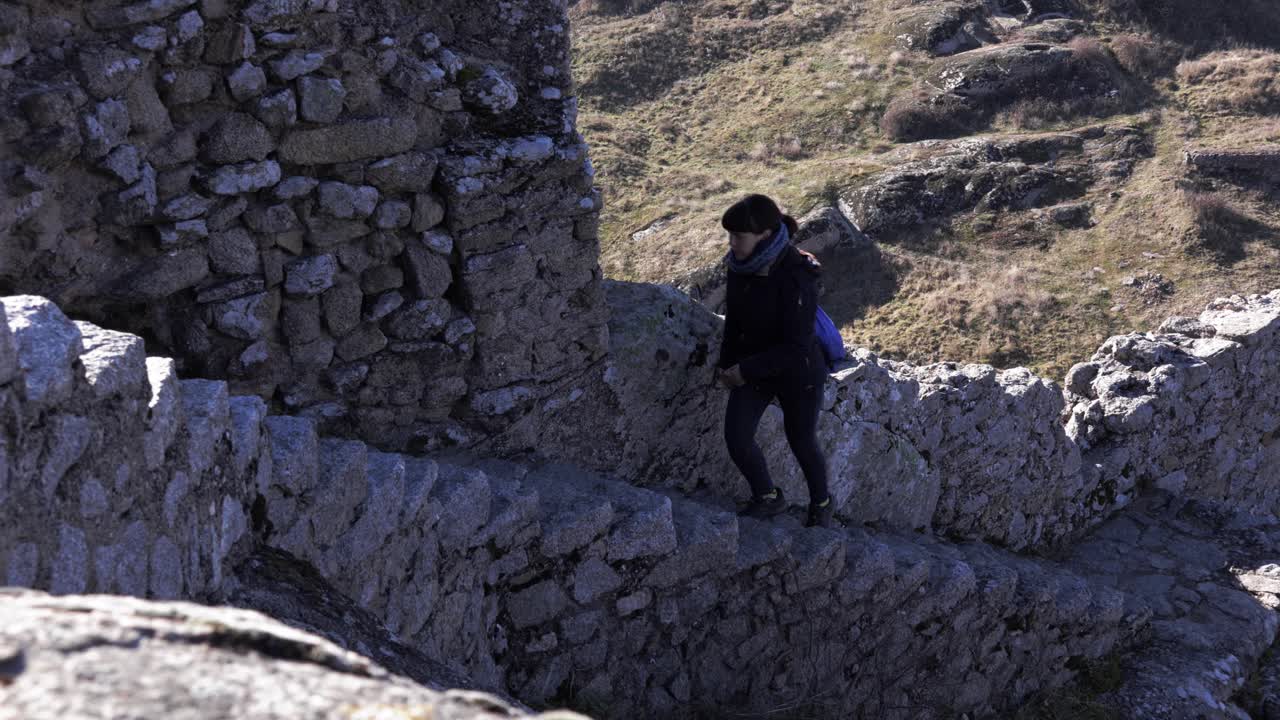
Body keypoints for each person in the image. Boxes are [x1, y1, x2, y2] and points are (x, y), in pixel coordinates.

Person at [715, 194, 833, 529]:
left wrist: (744, 370)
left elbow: (796, 347)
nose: (732, 243)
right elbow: (734, 320)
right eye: (730, 235)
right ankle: (767, 497)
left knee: (801, 441)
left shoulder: (797, 275)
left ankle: (822, 504)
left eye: (739, 236)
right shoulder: (740, 266)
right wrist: (726, 365)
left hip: (798, 372)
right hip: (754, 366)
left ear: (765, 234)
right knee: (737, 438)